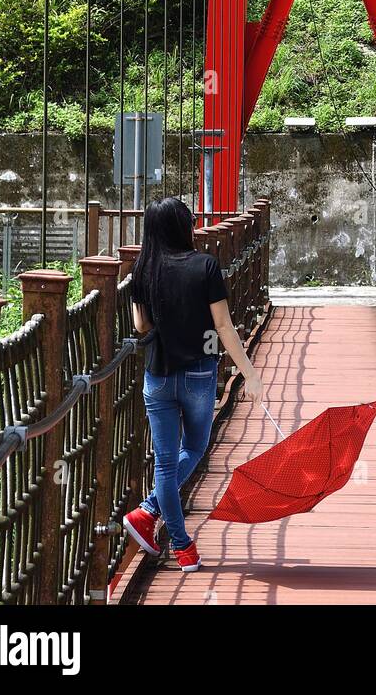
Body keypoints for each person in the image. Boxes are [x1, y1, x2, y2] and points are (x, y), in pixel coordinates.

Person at [124, 196, 264, 573]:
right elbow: (222, 326)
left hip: (158, 375)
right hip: (199, 374)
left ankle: (180, 545)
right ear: (183, 227)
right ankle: (149, 512)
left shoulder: (142, 270)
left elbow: (141, 327)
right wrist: (249, 372)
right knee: (196, 446)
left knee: (165, 463)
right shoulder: (205, 266)